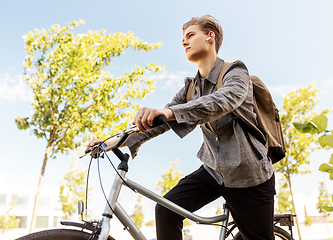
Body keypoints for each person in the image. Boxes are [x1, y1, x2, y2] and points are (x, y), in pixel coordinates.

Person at [88, 15, 275, 240]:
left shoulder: (235, 71)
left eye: (190, 35)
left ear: (210, 37)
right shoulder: (191, 88)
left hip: (249, 175)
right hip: (214, 170)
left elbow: (221, 101)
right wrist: (111, 142)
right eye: (182, 39)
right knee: (166, 209)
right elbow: (159, 123)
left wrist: (170, 112)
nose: (184, 42)